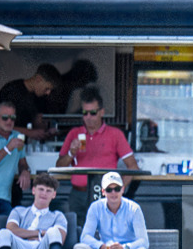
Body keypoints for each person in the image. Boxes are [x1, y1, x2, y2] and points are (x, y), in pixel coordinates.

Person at [56, 87, 140, 216]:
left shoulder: (115, 134)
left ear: (102, 112)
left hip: (104, 194)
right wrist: (71, 153)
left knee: (104, 234)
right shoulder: (74, 133)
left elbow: (133, 167)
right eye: (85, 113)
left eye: (93, 113)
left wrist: (116, 190)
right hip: (78, 193)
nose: (88, 117)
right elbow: (59, 167)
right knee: (77, 233)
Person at [73, 172, 149, 249]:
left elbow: (144, 241)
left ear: (123, 189)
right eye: (109, 189)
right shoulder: (95, 207)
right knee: (79, 248)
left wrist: (125, 247)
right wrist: (102, 246)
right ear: (103, 192)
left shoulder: (134, 208)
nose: (113, 193)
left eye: (117, 189)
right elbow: (85, 236)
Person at [0, 172, 68, 249]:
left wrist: (26, 234)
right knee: (3, 233)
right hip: (21, 247)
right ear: (33, 190)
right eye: (41, 189)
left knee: (54, 231)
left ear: (54, 195)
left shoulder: (58, 216)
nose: (44, 193)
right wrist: (40, 233)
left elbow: (60, 237)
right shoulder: (18, 211)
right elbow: (11, 229)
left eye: (48, 191)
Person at [0, 63, 60, 141]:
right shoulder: (12, 91)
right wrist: (29, 132)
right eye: (47, 88)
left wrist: (45, 131)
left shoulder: (39, 97)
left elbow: (37, 122)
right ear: (38, 79)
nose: (48, 93)